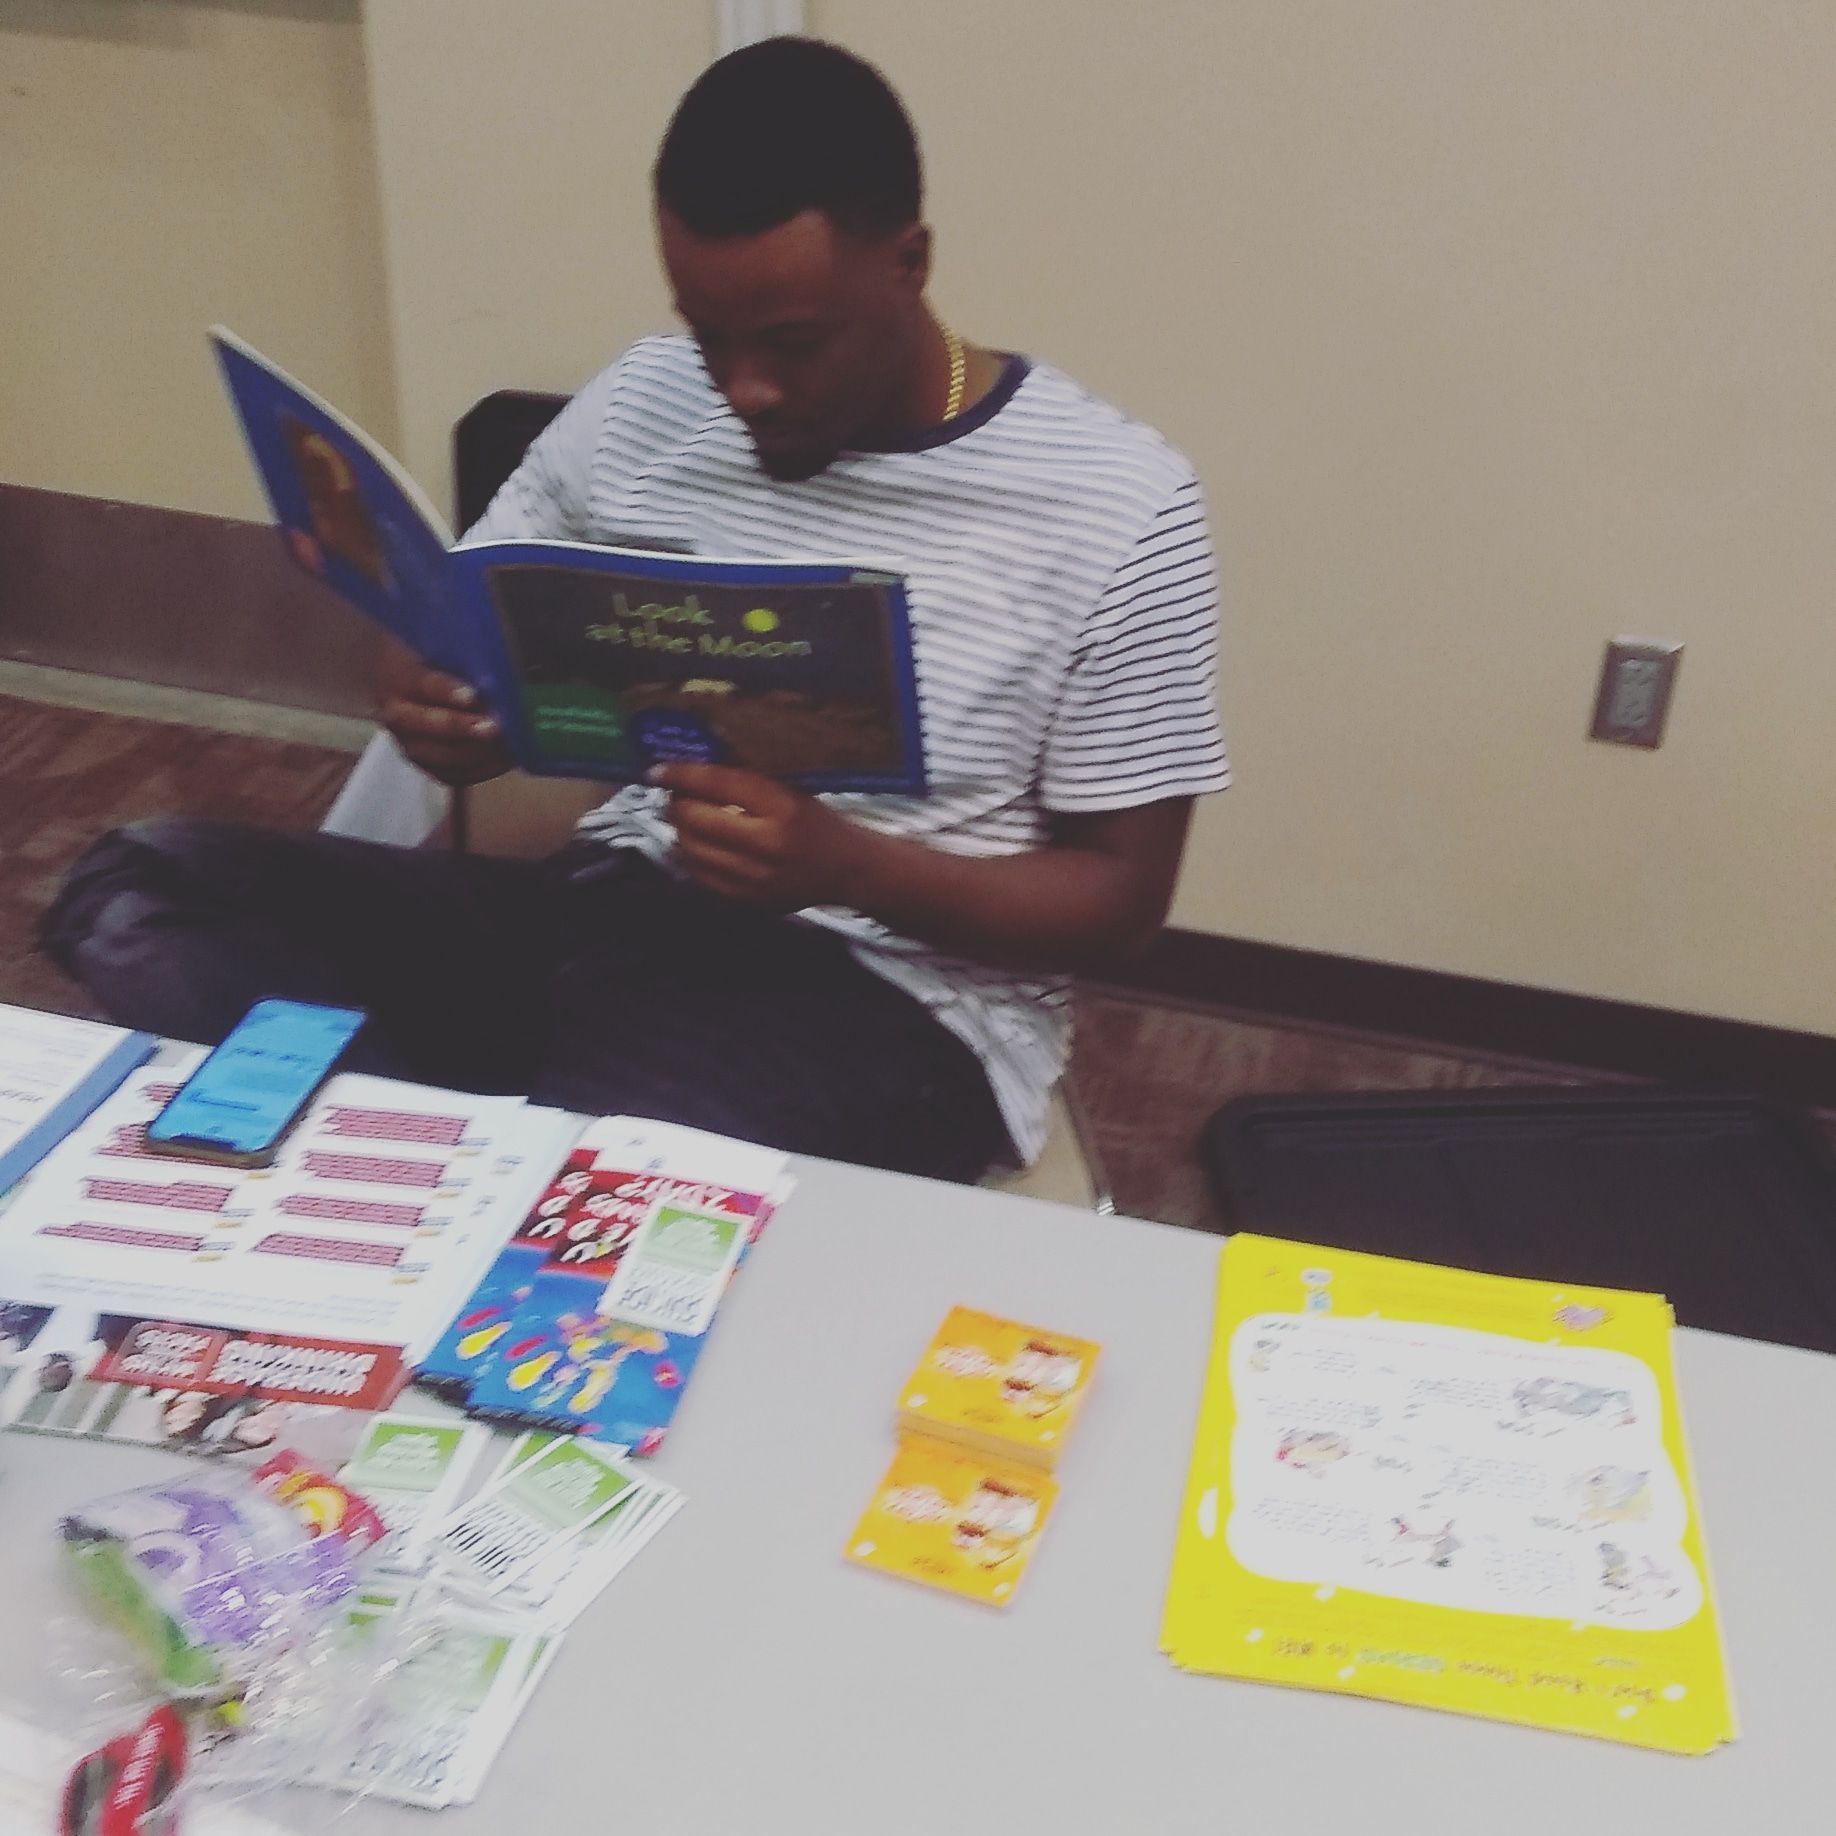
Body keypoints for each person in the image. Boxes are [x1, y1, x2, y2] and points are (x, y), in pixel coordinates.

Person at [43, 36, 1228, 1184]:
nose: (745, 388)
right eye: (709, 335)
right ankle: (460, 1164)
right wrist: (434, 689)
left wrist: (848, 865)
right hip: (602, 911)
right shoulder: (651, 402)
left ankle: (450, 1157)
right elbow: (468, 610)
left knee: (583, 1168)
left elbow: (1119, 907)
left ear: (910, 264)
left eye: (793, 343)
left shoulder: (1112, 503)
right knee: (136, 892)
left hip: (891, 1008)